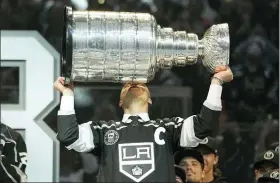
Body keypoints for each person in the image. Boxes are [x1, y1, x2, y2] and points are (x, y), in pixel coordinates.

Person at [54, 66, 233, 182]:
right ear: (120, 103)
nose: (133, 83)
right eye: (128, 84)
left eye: (140, 84)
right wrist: (68, 95)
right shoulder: (102, 131)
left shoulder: (168, 129)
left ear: (150, 100)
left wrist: (216, 82)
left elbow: (205, 125)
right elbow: (68, 135)